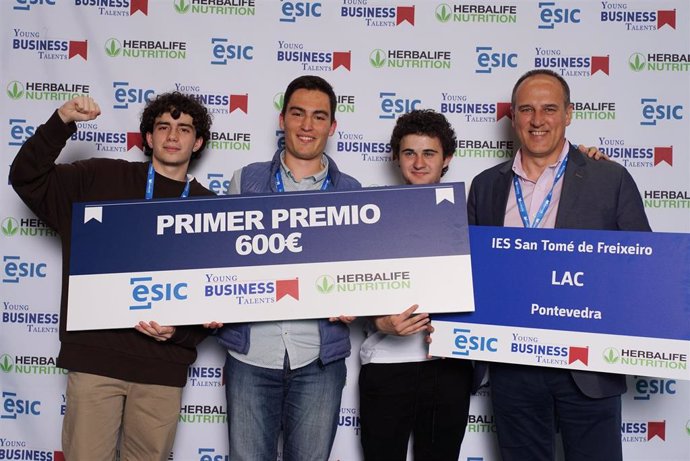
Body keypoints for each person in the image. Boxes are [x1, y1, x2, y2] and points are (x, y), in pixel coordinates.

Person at [9, 92, 216, 461]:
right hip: (95, 365)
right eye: (163, 127)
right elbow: (25, 177)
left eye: (184, 129)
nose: (172, 136)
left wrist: (180, 332)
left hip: (162, 372)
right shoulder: (98, 178)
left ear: (197, 141)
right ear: (148, 138)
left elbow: (217, 297)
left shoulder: (211, 209)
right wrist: (61, 121)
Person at [467, 69, 651, 461]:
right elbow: (469, 273)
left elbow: (643, 269)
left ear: (569, 114)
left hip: (587, 369)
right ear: (512, 117)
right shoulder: (486, 186)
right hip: (513, 366)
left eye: (549, 109)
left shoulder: (609, 178)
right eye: (527, 109)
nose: (538, 120)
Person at [214, 75, 361, 461]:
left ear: (332, 126)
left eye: (318, 117)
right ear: (282, 120)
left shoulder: (353, 192)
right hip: (251, 355)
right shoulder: (245, 181)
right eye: (298, 114)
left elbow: (361, 273)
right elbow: (219, 260)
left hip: (318, 358)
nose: (307, 126)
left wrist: (357, 300)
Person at [358, 109, 474, 461]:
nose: (419, 162)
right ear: (396, 158)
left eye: (429, 153)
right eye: (409, 153)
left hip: (449, 367)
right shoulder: (369, 215)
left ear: (447, 159)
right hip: (385, 365)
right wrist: (380, 322)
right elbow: (353, 286)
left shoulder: (470, 218)